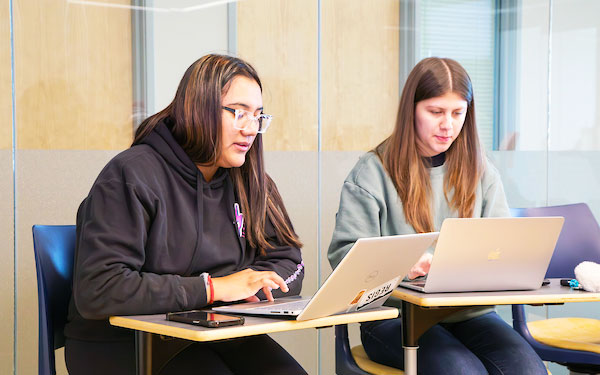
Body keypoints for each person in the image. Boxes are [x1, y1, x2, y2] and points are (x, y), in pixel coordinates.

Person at [64, 54, 307, 375]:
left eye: (258, 116)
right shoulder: (131, 174)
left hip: (215, 331)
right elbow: (100, 288)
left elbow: (290, 262)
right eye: (238, 113)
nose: (250, 129)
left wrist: (255, 287)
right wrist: (214, 289)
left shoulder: (251, 180)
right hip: (123, 341)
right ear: (199, 109)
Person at [328, 57, 547, 374]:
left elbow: (505, 249)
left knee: (529, 371)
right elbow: (343, 258)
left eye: (458, 113)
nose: (448, 125)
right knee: (461, 370)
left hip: (469, 314)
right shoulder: (372, 173)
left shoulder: (481, 171)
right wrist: (403, 265)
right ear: (411, 111)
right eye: (436, 112)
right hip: (395, 318)